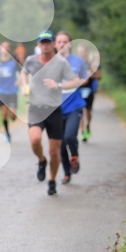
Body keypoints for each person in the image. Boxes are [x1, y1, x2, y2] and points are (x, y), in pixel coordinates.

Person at [20, 30, 79, 195]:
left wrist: (58, 85)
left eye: (48, 42)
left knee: (55, 151)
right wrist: (25, 85)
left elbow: (74, 81)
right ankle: (41, 160)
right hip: (35, 108)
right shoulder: (31, 60)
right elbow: (23, 73)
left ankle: (52, 180)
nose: (45, 45)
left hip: (53, 110)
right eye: (42, 42)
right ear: (38, 45)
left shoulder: (61, 62)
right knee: (35, 140)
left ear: (53, 44)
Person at [55, 31, 88, 185]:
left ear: (69, 44)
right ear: (55, 45)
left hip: (74, 106)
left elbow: (84, 79)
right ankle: (67, 173)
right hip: (56, 109)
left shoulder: (78, 62)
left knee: (69, 137)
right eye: (59, 41)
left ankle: (74, 156)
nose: (62, 44)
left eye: (64, 41)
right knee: (60, 144)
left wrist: (79, 81)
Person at [0, 41, 21, 142]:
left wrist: (19, 80)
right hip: (2, 92)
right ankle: (8, 134)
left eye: (7, 47)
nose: (5, 49)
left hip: (12, 91)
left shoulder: (13, 61)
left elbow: (22, 73)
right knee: (4, 114)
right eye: (3, 47)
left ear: (9, 49)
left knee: (12, 116)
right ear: (0, 48)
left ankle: (12, 113)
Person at [77, 44, 101, 142]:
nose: (81, 54)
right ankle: (82, 131)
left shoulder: (91, 63)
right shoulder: (76, 63)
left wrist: (92, 74)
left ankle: (87, 126)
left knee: (88, 112)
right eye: (79, 52)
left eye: (83, 52)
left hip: (89, 90)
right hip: (78, 90)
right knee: (80, 112)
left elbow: (99, 76)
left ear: (86, 53)